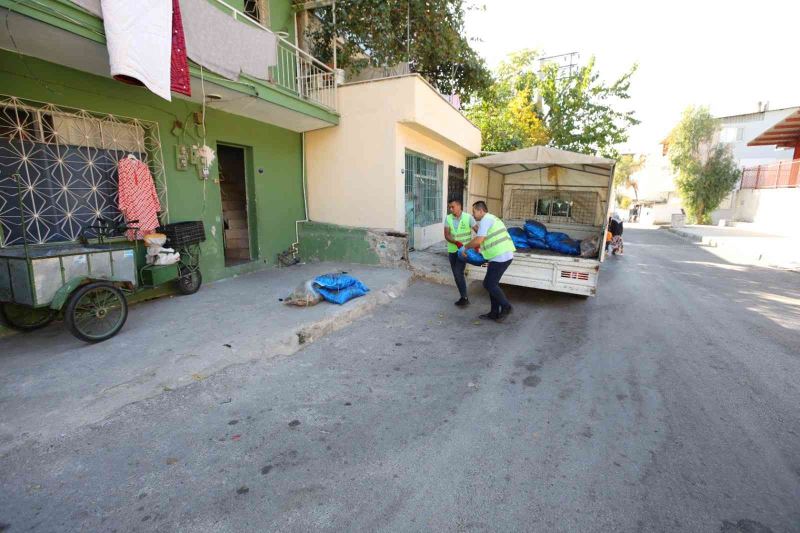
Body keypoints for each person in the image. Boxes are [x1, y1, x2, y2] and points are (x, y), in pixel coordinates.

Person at [461, 201, 515, 322]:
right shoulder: (491, 218)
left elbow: (479, 240)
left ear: (481, 211)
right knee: (492, 284)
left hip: (501, 257)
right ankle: (494, 312)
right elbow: (485, 238)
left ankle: (506, 307)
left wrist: (466, 247)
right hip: (499, 255)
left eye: (474, 211)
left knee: (489, 284)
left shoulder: (486, 219)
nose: (473, 214)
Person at [444, 198, 477, 307]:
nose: (451, 209)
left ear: (459, 206)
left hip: (464, 251)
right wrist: (455, 242)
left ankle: (464, 298)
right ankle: (463, 297)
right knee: (456, 274)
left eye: (452, 207)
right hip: (452, 250)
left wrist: (477, 244)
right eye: (449, 207)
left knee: (458, 273)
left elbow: (479, 231)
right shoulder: (448, 218)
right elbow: (447, 235)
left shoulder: (468, 218)